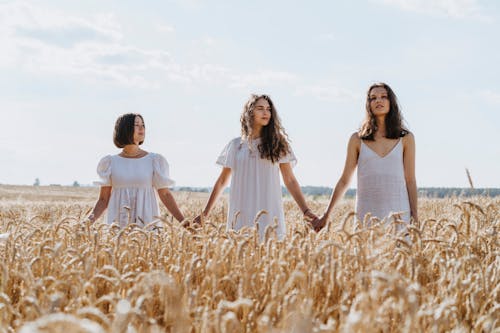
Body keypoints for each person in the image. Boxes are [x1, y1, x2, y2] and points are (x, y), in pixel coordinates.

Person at [193, 94, 317, 240]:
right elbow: (222, 181)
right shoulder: (236, 146)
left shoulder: (278, 143)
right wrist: (205, 213)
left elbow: (289, 180)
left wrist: (306, 211)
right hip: (240, 211)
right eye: (260, 108)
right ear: (250, 112)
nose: (266, 113)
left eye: (268, 109)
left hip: (269, 210)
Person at [313, 82, 417, 232]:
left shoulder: (406, 138)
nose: (378, 101)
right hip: (366, 215)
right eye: (373, 98)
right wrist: (326, 215)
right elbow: (344, 180)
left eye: (383, 97)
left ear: (391, 102)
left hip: (399, 215)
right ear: (368, 104)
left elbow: (410, 179)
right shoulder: (357, 139)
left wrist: (415, 215)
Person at [87, 113, 184, 228]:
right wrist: (86, 223)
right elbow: (103, 199)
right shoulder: (110, 162)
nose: (141, 128)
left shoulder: (154, 160)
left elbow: (165, 195)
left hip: (147, 223)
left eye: (143, 124)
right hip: (118, 225)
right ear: (125, 128)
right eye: (136, 125)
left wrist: (185, 223)